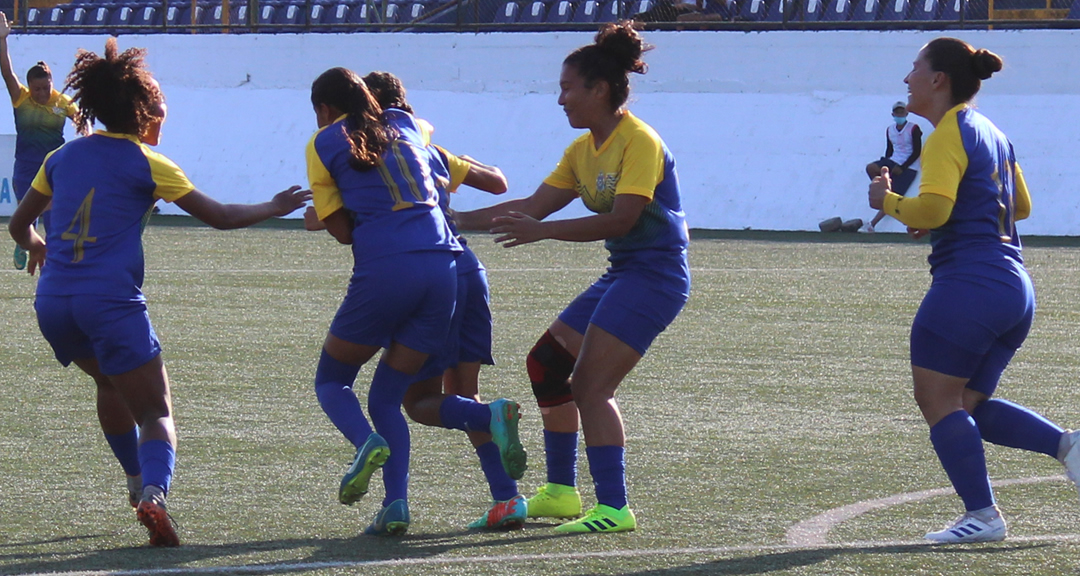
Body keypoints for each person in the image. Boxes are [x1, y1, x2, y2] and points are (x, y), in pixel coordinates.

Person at [7, 38, 310, 547]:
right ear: (142, 113)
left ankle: (132, 481)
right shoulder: (148, 162)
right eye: (160, 114)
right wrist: (273, 206)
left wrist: (38, 245)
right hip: (109, 302)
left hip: (54, 302)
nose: (162, 124)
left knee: (109, 384)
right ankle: (154, 493)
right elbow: (220, 217)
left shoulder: (61, 157)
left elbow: (19, 225)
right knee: (156, 411)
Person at [456, 21, 691, 534]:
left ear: (598, 89)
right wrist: (445, 218)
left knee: (590, 384)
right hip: (625, 272)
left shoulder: (640, 141)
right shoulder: (582, 150)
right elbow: (531, 207)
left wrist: (543, 232)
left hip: (656, 276)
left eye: (567, 87)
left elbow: (622, 219)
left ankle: (614, 507)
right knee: (545, 364)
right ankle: (562, 494)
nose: (560, 99)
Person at [868, 37, 1080, 544]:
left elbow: (935, 210)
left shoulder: (948, 133)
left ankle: (983, 516)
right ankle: (1069, 447)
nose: (907, 78)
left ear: (938, 79)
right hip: (1013, 287)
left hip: (970, 284)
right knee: (966, 401)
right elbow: (1019, 206)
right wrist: (936, 215)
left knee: (938, 402)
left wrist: (889, 200)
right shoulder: (992, 132)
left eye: (914, 67)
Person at [307, 67, 517, 536]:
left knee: (341, 382)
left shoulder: (326, 139)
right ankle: (487, 495)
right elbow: (496, 180)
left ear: (325, 109)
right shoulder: (415, 132)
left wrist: (330, 211)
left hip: (391, 267)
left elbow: (342, 231)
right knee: (408, 394)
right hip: (452, 267)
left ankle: (377, 462)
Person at [0, 12, 77, 270]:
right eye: (37, 89)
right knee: (27, 217)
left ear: (52, 83)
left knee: (54, 220)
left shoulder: (63, 103)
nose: (42, 93)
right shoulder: (21, 99)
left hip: (54, 168)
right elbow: (7, 71)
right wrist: (2, 40)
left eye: (46, 87)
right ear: (29, 87)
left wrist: (87, 130)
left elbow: (82, 119)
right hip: (25, 169)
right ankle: (24, 243)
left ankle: (52, 267)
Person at [865, 101, 922, 232]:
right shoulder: (890, 130)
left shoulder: (913, 128)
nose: (899, 114)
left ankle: (872, 224)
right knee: (871, 168)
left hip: (909, 165)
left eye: (902, 112)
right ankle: (882, 185)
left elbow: (917, 151)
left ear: (906, 113)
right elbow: (890, 149)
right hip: (893, 160)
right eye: (897, 112)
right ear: (893, 114)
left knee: (892, 196)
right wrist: (886, 162)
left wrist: (903, 167)